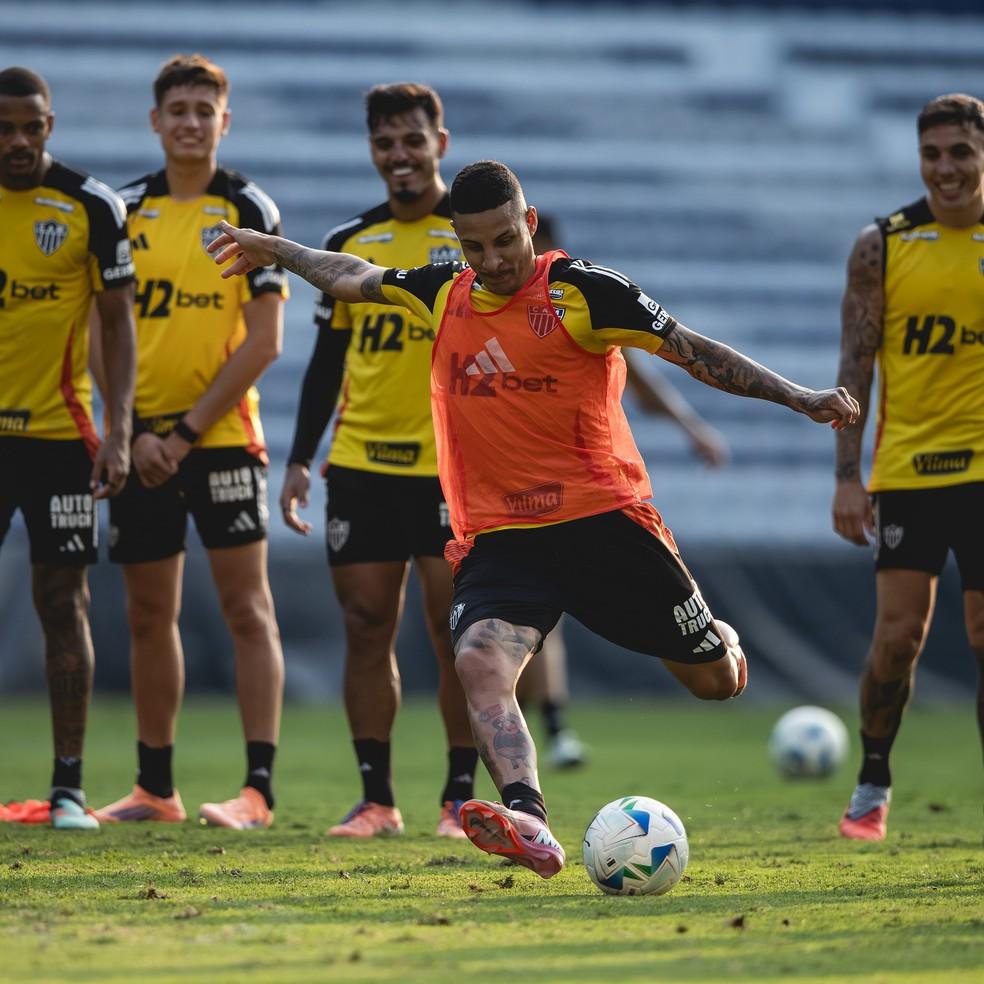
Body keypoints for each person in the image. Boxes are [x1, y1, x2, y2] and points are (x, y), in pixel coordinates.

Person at [208, 159, 859, 877]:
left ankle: (721, 641)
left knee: (714, 680)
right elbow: (351, 275)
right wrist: (279, 251)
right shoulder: (443, 295)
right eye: (472, 248)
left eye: (502, 242)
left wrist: (800, 398)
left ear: (529, 222)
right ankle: (530, 819)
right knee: (479, 660)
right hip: (503, 538)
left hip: (605, 524)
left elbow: (693, 351)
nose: (490, 262)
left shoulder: (583, 290)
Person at [92, 54, 288, 830]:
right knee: (148, 614)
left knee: (247, 609)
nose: (190, 121)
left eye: (205, 109)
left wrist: (179, 434)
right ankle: (155, 789)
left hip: (222, 439)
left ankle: (258, 793)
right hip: (140, 443)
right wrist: (131, 430)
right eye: (178, 108)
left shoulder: (249, 208)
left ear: (224, 121)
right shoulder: (123, 208)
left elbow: (265, 341)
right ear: (155, 120)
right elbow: (99, 332)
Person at [281, 82, 476, 838]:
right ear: (373, 151)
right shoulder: (349, 240)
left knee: (452, 628)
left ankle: (460, 798)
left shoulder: (470, 239)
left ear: (440, 144)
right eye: (385, 143)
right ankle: (376, 799)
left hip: (450, 468)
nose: (399, 155)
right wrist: (300, 458)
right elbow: (326, 362)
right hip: (361, 465)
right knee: (365, 626)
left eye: (412, 141)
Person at [519, 216, 728, 769]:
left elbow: (644, 377)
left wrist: (692, 430)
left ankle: (553, 731)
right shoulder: (476, 307)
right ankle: (534, 750)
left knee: (711, 677)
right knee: (510, 624)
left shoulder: (575, 307)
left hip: (590, 498)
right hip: (508, 493)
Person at [832, 93, 984, 841]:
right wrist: (845, 475)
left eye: (960, 152)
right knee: (898, 639)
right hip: (909, 473)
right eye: (933, 155)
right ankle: (873, 777)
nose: (946, 169)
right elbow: (853, 368)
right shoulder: (884, 244)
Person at [0, 66, 136, 829]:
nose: (19, 141)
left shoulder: (90, 206)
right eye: (5, 128)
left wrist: (118, 431)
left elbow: (118, 324)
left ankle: (68, 790)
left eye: (32, 126)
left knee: (62, 601)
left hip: (60, 439)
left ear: (50, 125)